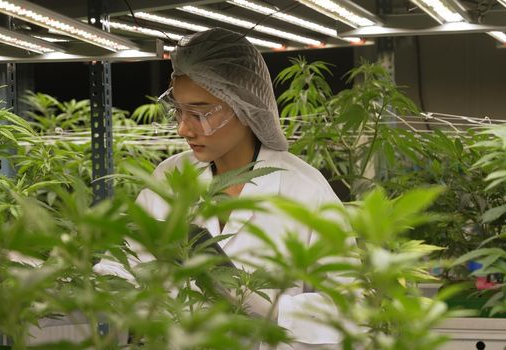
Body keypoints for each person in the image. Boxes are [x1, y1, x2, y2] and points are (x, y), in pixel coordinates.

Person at [96, 27, 347, 349]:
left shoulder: (305, 191)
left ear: (244, 106)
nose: (183, 128)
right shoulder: (171, 176)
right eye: (179, 111)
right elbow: (121, 265)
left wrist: (264, 306)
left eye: (200, 113)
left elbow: (346, 307)